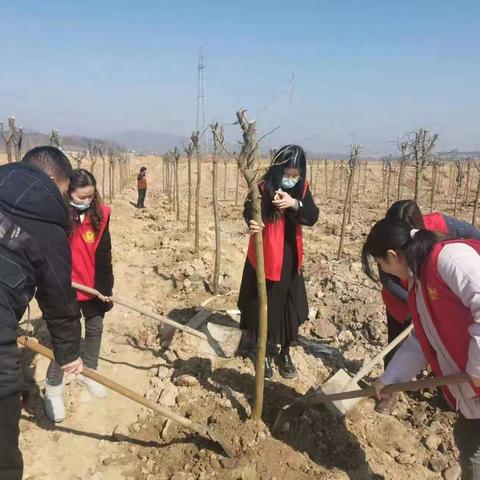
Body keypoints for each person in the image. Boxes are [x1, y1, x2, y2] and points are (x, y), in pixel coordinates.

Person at [362, 218, 480, 478]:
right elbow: (421, 341)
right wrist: (389, 379)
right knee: (469, 439)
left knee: (473, 449)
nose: (384, 270)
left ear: (393, 255)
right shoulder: (418, 284)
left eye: (382, 264)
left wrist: (477, 368)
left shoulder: (450, 259)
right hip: (473, 388)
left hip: (476, 379)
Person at [0, 146, 83, 480]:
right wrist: (68, 353)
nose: (65, 200)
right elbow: (60, 301)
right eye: (65, 192)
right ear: (51, 179)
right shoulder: (48, 227)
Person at [377, 199, 480, 413]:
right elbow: (420, 341)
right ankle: (393, 390)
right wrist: (420, 306)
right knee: (426, 340)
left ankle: (449, 391)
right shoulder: (387, 246)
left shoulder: (449, 255)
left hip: (440, 297)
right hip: (405, 297)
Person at [237, 145, 319, 379]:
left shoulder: (302, 190)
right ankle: (261, 351)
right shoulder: (262, 187)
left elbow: (312, 215)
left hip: (290, 256)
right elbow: (248, 210)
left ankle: (284, 352)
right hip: (265, 254)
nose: (292, 179)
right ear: (278, 168)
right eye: (287, 174)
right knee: (263, 303)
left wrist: (294, 204)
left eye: (296, 175)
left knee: (289, 307)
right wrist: (253, 221)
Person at [44, 169, 114, 422]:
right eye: (80, 196)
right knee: (65, 339)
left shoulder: (102, 214)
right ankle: (53, 390)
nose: (86, 201)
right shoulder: (58, 215)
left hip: (93, 285)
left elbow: (104, 253)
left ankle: (90, 373)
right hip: (66, 286)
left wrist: (106, 289)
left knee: (94, 330)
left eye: (90, 197)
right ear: (68, 192)